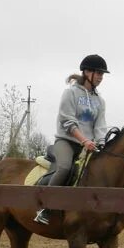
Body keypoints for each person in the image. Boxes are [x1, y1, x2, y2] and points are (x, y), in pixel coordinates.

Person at [34, 54, 110, 225]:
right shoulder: (70, 93)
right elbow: (67, 121)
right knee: (64, 168)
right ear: (86, 72)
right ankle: (45, 208)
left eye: (102, 74)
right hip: (67, 142)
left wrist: (102, 142)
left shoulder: (100, 101)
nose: (100, 77)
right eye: (98, 73)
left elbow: (100, 126)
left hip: (89, 145)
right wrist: (84, 141)